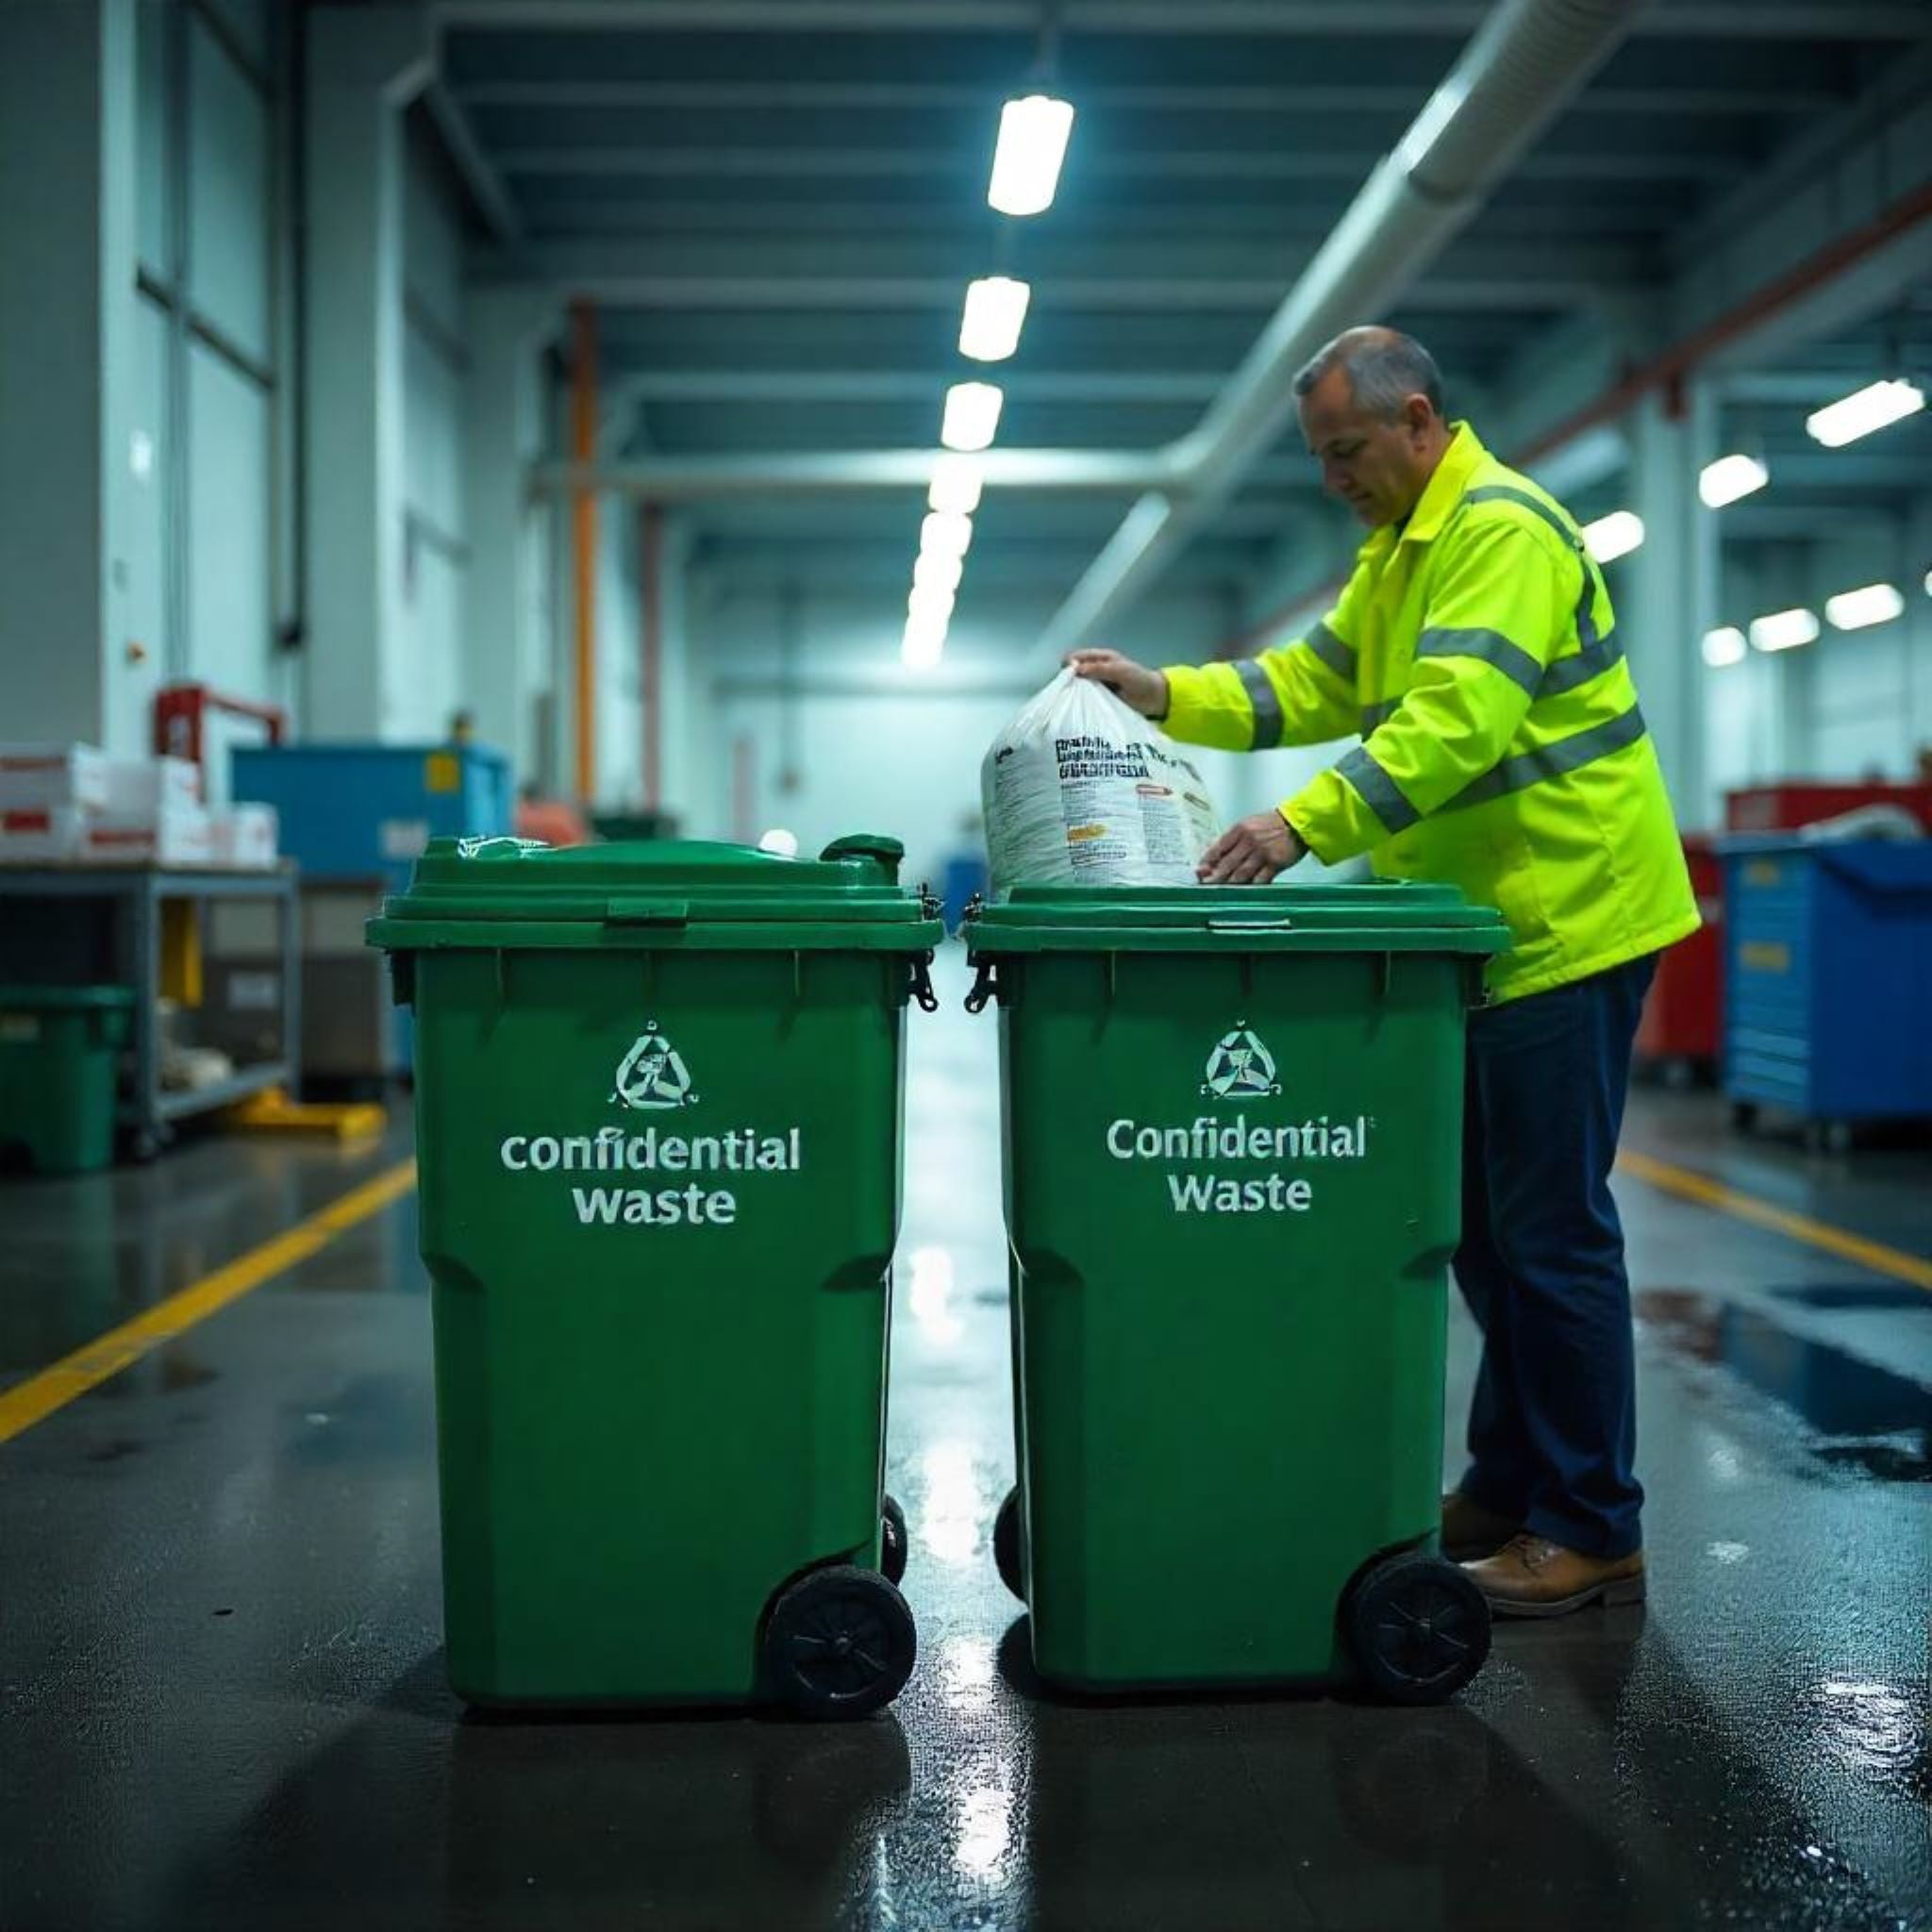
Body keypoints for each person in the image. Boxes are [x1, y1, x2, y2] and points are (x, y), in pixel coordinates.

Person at [1071, 325, 1698, 1616]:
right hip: (1478, 931)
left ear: (1418, 420)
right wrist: (1160, 694)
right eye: (1320, 456)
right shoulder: (1400, 554)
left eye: (1346, 450)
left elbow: (1459, 720)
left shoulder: (1501, 533)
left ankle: (1593, 1526)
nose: (1332, 477)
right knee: (1486, 1239)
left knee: (1552, 1238)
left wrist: (1304, 824)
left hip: (1565, 917)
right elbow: (1311, 683)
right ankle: (1514, 1483)